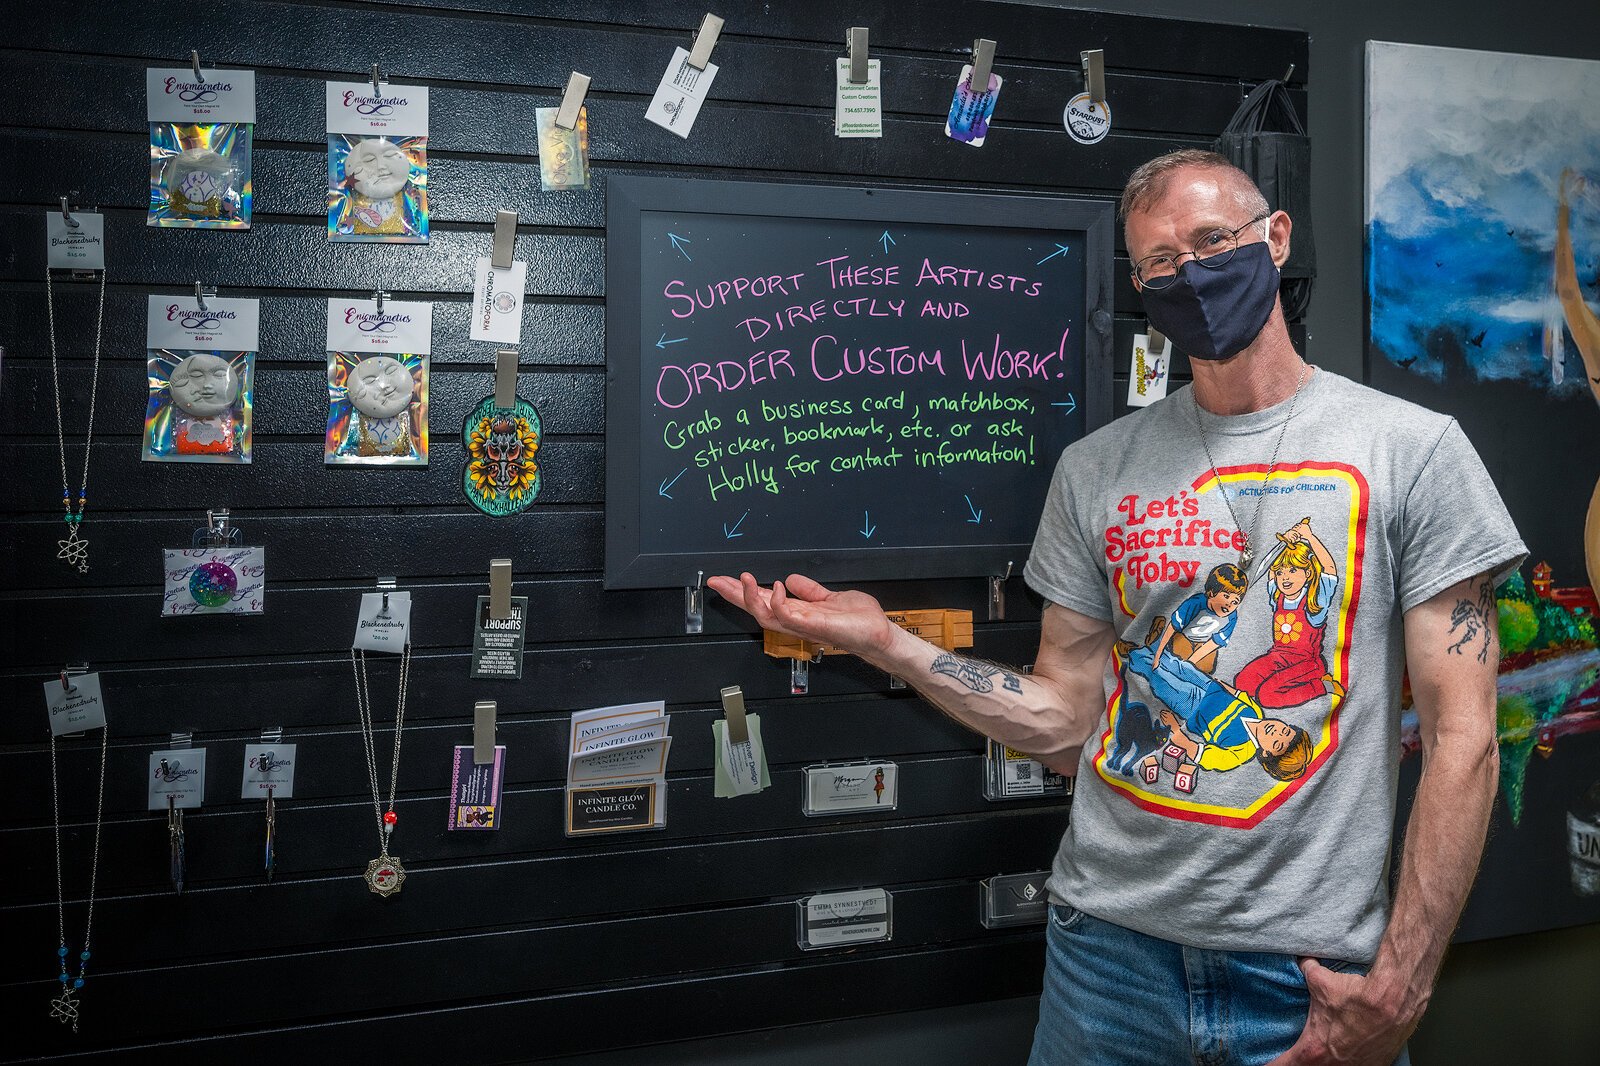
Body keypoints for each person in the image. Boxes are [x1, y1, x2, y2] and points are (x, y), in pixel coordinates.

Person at [710, 148, 1525, 1066]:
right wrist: (885, 642)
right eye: (1161, 264)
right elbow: (1066, 718)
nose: (1191, 274)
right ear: (1139, 286)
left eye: (1213, 242)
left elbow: (1467, 737)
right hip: (1108, 966)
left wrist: (1402, 982)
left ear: (1275, 239)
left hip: (1308, 978)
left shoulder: (1412, 451)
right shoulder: (1096, 470)